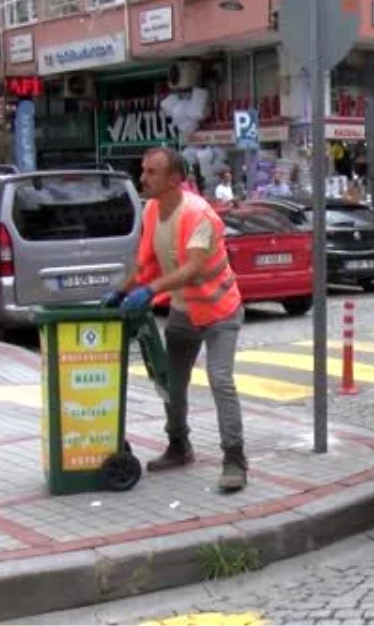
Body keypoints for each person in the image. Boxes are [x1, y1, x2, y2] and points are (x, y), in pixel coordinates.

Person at [102, 146, 248, 492]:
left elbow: (193, 267)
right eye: (143, 170)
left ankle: (235, 459)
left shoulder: (198, 214)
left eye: (151, 172)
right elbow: (144, 265)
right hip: (184, 311)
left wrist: (150, 291)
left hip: (219, 310)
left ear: (174, 179)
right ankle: (179, 446)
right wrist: (121, 291)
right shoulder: (152, 210)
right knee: (172, 383)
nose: (143, 178)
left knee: (220, 380)